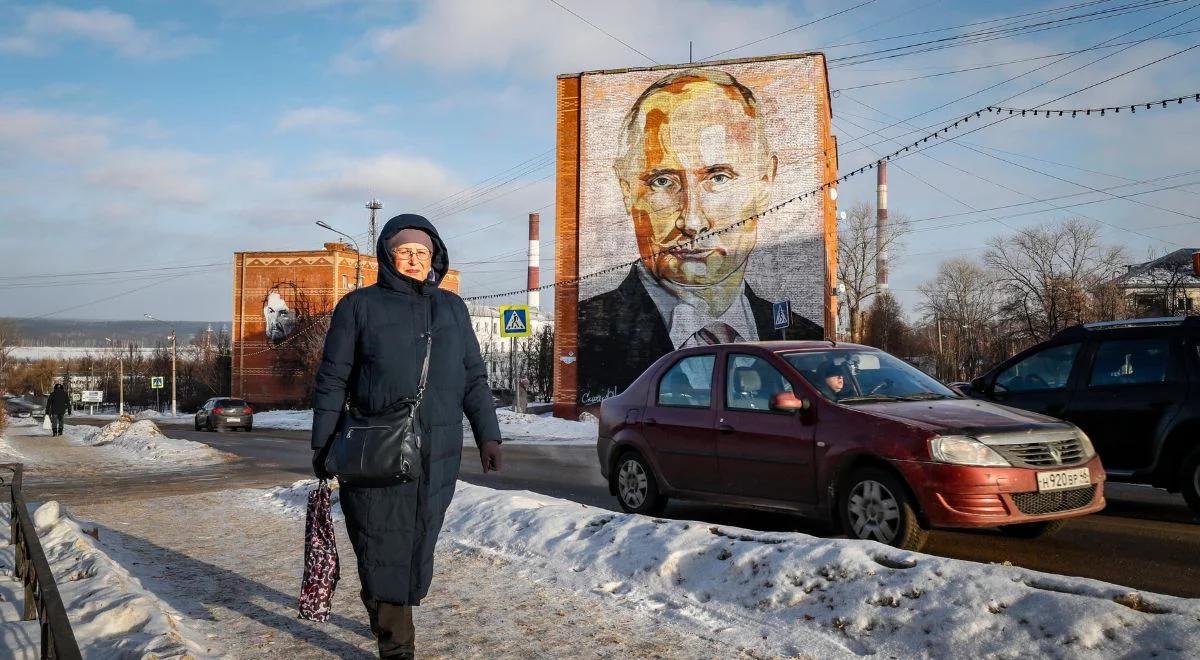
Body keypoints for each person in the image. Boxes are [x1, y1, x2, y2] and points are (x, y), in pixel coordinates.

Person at [310, 214, 502, 659]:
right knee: (379, 540)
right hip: (374, 450)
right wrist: (322, 442)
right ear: (387, 256)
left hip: (437, 453)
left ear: (433, 258)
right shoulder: (358, 307)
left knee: (416, 540)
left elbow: (473, 377)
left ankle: (386, 613)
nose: (414, 260)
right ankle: (397, 643)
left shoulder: (451, 308)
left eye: (422, 253)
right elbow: (332, 379)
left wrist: (488, 435)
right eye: (405, 252)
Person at [578, 69, 823, 401]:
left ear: (765, 182)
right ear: (627, 191)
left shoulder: (805, 338)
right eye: (662, 181)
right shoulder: (584, 336)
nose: (692, 222)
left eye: (718, 178)